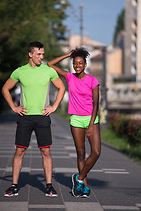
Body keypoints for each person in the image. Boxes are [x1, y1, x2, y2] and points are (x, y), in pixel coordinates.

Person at [2, 41, 65, 197]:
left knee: (46, 152)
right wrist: (13, 107)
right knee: (20, 151)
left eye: (43, 54)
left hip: (43, 117)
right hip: (25, 117)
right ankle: (14, 185)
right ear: (30, 54)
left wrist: (54, 106)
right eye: (38, 54)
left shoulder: (48, 71)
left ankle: (49, 186)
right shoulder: (20, 71)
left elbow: (62, 87)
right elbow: (5, 88)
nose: (41, 57)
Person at [47, 47, 101, 198]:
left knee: (96, 152)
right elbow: (50, 64)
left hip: (91, 119)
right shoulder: (70, 77)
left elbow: (96, 104)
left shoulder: (92, 80)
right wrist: (68, 55)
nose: (77, 65)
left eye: (80, 63)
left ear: (85, 65)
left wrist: (91, 125)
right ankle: (83, 186)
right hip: (76, 119)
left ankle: (79, 178)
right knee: (81, 153)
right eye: (75, 63)